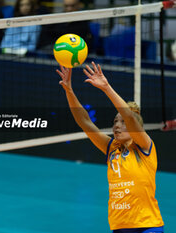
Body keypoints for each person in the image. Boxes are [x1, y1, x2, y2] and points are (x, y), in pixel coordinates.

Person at [56, 62, 164, 233]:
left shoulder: (145, 146)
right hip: (119, 226)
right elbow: (84, 122)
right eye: (115, 122)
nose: (117, 126)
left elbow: (128, 116)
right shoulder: (111, 148)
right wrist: (69, 90)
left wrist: (106, 88)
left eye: (122, 123)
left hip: (147, 225)